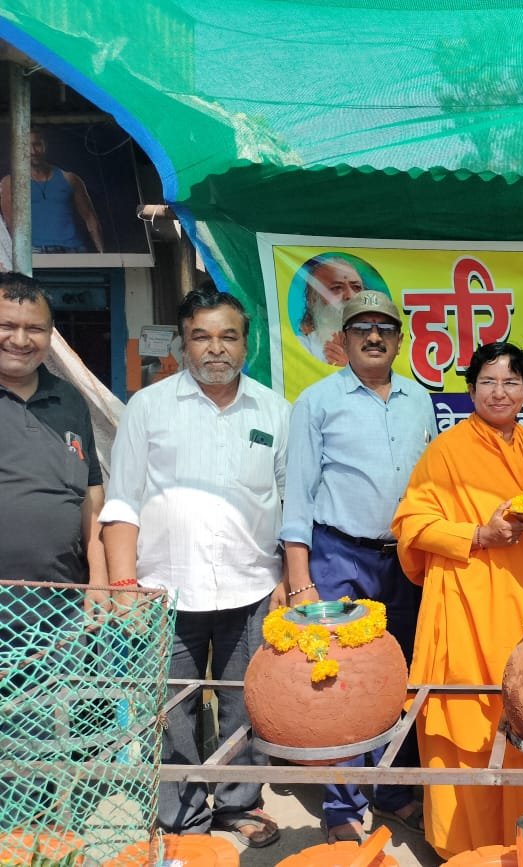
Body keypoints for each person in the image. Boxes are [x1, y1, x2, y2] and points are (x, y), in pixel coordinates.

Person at [100, 287, 288, 848]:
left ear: (247, 344)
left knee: (245, 704)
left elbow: (288, 501)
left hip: (252, 587)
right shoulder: (148, 407)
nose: (215, 348)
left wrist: (285, 580)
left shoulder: (274, 410)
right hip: (166, 589)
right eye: (201, 337)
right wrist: (125, 584)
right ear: (183, 345)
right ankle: (181, 818)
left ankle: (239, 804)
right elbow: (122, 499)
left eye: (228, 336)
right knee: (171, 708)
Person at [391, 341, 523, 859]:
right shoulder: (446, 451)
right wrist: (479, 534)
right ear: (471, 390)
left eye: (511, 382)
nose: (499, 392)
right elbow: (411, 524)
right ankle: (463, 846)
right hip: (470, 603)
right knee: (468, 718)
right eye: (488, 382)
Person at [280, 289, 434, 843]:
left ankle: (393, 792)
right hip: (340, 556)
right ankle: (342, 806)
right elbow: (297, 496)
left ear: (399, 340)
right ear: (342, 340)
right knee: (343, 681)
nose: (374, 337)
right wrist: (299, 581)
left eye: (384, 328)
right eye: (362, 328)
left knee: (401, 676)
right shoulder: (317, 402)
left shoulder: (419, 399)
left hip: (406, 561)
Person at [0, 272, 105, 586]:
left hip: (62, 602)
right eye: (7, 326)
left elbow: (91, 497)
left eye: (35, 329)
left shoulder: (69, 400)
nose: (20, 340)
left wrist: (100, 579)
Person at [1, 128, 105, 254]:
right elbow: (10, 224)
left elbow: (90, 218)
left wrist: (103, 254)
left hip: (74, 249)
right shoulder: (10, 182)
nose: (32, 151)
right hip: (35, 250)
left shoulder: (70, 178)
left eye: (37, 144)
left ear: (45, 146)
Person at [296, 254, 367, 365]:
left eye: (356, 287)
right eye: (337, 288)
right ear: (313, 299)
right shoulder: (299, 346)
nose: (350, 296)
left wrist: (349, 365)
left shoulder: (384, 343)